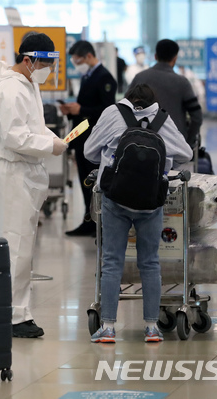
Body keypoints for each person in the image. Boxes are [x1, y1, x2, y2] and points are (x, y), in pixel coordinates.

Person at [84, 84, 192, 343]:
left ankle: (108, 327)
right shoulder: (163, 119)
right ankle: (152, 327)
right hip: (150, 202)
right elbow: (185, 154)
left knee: (111, 262)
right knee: (150, 262)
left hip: (115, 200)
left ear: (129, 98)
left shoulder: (112, 113)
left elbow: (89, 151)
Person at [0, 33, 68, 338]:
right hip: (11, 172)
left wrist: (53, 139)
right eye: (44, 63)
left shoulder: (28, 85)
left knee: (22, 247)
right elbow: (15, 137)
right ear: (27, 59)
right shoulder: (10, 89)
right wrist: (50, 146)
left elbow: (33, 127)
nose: (47, 69)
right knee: (13, 247)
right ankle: (11, 316)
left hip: (24, 173)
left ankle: (17, 311)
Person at [61, 40, 117, 237]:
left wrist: (82, 110)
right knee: (84, 181)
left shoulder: (105, 78)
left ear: (89, 56)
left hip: (96, 138)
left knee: (96, 182)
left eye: (78, 61)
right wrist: (71, 111)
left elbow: (108, 110)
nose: (76, 65)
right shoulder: (87, 77)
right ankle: (88, 220)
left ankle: (100, 223)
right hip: (82, 135)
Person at [128, 39, 202, 149]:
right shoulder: (182, 82)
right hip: (174, 145)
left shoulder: (139, 78)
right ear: (175, 58)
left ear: (155, 56)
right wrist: (188, 141)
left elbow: (125, 108)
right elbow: (197, 117)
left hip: (141, 143)